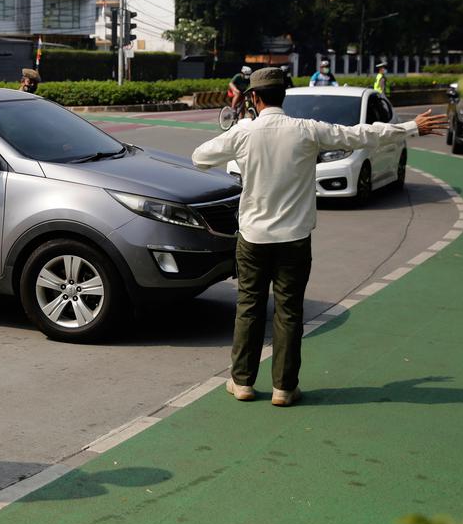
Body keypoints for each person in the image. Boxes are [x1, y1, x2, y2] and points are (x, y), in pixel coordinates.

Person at [191, 68, 447, 407]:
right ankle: (284, 388)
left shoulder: (244, 132)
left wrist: (241, 133)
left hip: (253, 239)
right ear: (283, 96)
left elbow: (200, 157)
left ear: (254, 98)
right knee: (289, 311)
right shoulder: (306, 129)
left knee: (249, 308)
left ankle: (242, 382)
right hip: (294, 239)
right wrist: (411, 127)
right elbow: (358, 135)